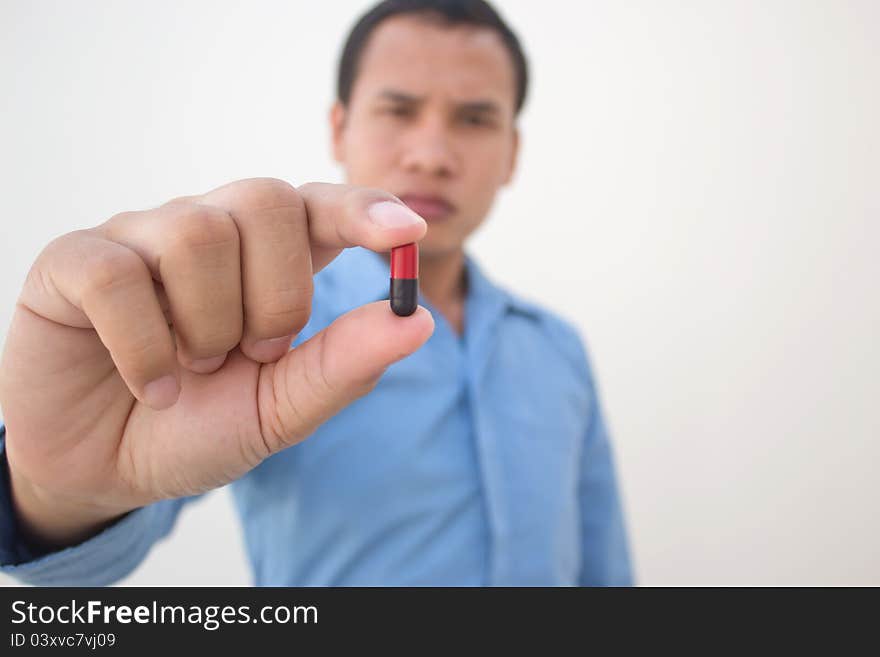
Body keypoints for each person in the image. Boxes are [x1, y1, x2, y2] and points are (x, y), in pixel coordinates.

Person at [0, 0, 632, 586]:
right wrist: (55, 497)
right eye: (399, 109)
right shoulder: (253, 328)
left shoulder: (559, 350)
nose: (432, 154)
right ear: (339, 128)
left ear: (512, 153)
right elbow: (74, 568)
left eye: (474, 119)